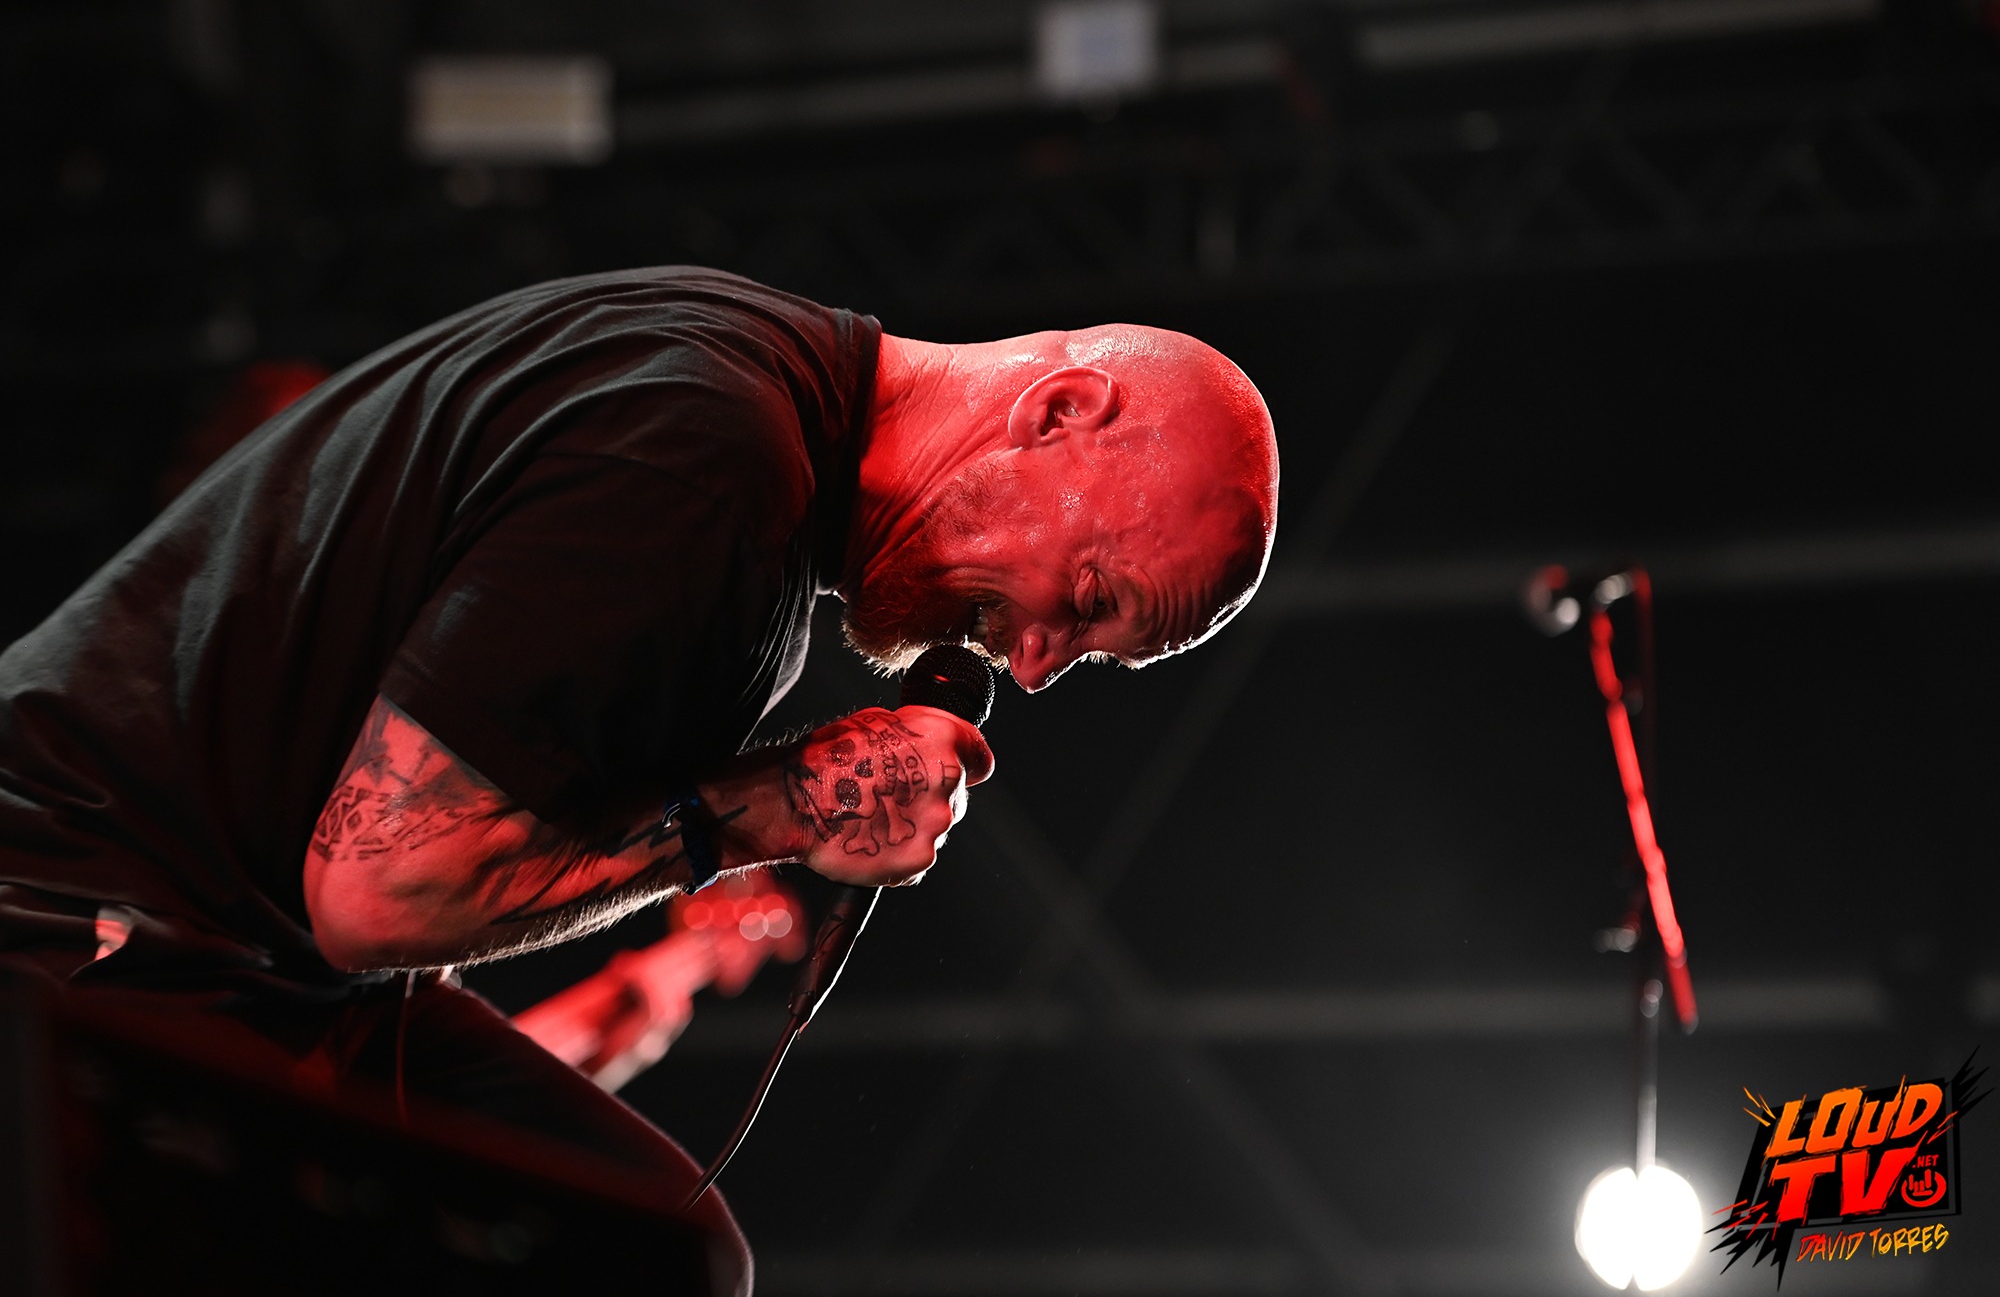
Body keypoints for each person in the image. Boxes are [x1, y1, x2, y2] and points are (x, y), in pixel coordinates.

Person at [0, 266, 1277, 1293]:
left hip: (243, 951)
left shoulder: (754, 403)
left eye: (1095, 651)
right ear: (1058, 413)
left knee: (674, 1249)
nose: (1041, 664)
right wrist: (772, 807)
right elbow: (383, 895)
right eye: (1091, 599)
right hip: (85, 919)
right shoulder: (707, 454)